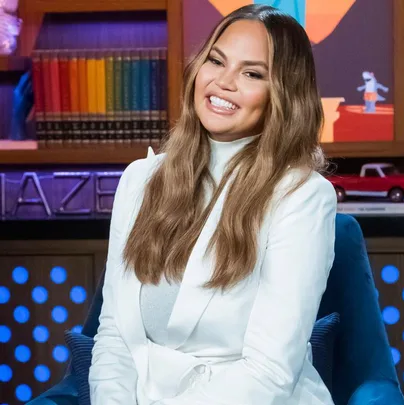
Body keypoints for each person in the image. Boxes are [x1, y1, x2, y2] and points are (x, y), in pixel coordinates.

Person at [88, 4, 337, 405]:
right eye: (216, 61)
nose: (223, 82)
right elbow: (115, 333)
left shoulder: (302, 196)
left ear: (283, 94)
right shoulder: (140, 179)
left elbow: (269, 372)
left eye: (252, 73)